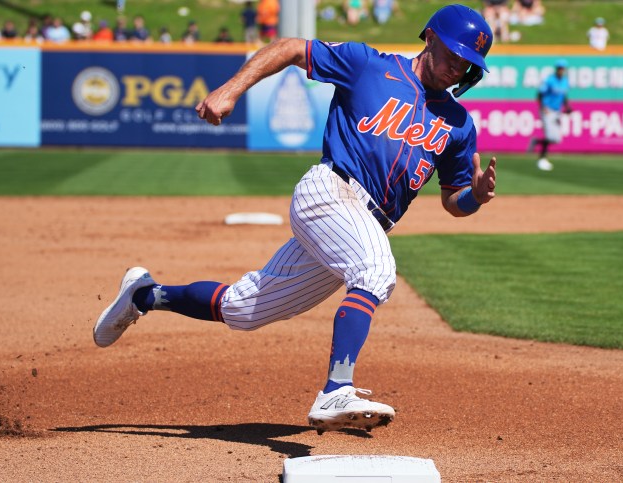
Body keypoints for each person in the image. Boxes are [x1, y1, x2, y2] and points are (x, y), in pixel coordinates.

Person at [93, 4, 497, 434]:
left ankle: (145, 296)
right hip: (330, 191)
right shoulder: (367, 64)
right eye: (452, 55)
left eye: (466, 63)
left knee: (243, 309)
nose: (457, 68)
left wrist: (475, 195)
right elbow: (289, 48)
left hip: (360, 225)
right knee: (376, 270)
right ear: (430, 38)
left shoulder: (457, 124)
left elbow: (453, 201)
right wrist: (231, 89)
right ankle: (336, 388)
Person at [529, 59, 572, 171]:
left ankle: (536, 141)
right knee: (549, 137)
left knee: (556, 139)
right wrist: (543, 107)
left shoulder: (565, 81)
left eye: (562, 68)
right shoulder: (550, 80)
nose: (561, 70)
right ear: (556, 69)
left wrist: (567, 107)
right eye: (559, 68)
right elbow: (540, 94)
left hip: (557, 112)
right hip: (547, 110)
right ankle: (542, 160)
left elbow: (564, 96)